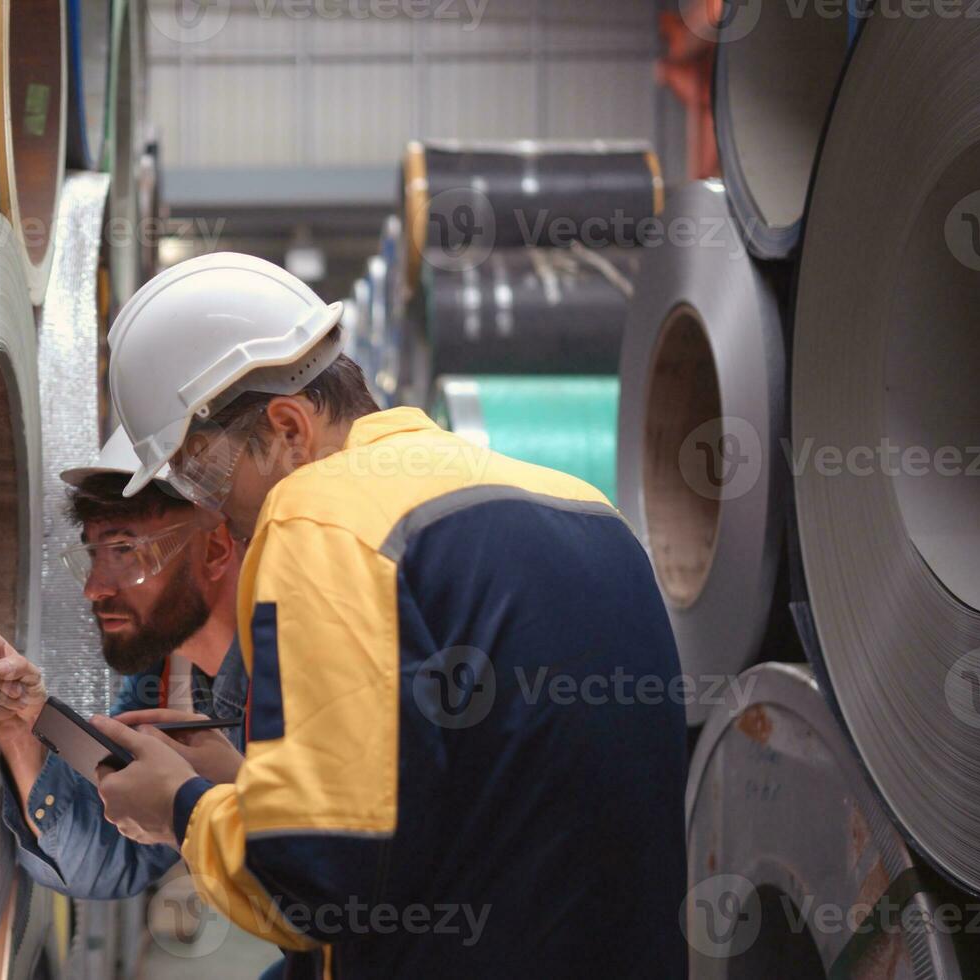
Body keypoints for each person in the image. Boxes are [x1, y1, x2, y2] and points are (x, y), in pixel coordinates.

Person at [86, 253, 687, 978]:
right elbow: (469, 799)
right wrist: (248, 791)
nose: (214, 508)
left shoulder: (320, 518)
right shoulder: (586, 509)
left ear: (288, 428)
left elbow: (311, 885)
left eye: (204, 473)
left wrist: (178, 809)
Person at [0, 427, 249, 900]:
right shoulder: (169, 678)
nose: (95, 588)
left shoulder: (297, 674)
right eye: (93, 554)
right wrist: (23, 721)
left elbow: (323, 874)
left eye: (124, 551)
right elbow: (111, 857)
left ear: (214, 549)